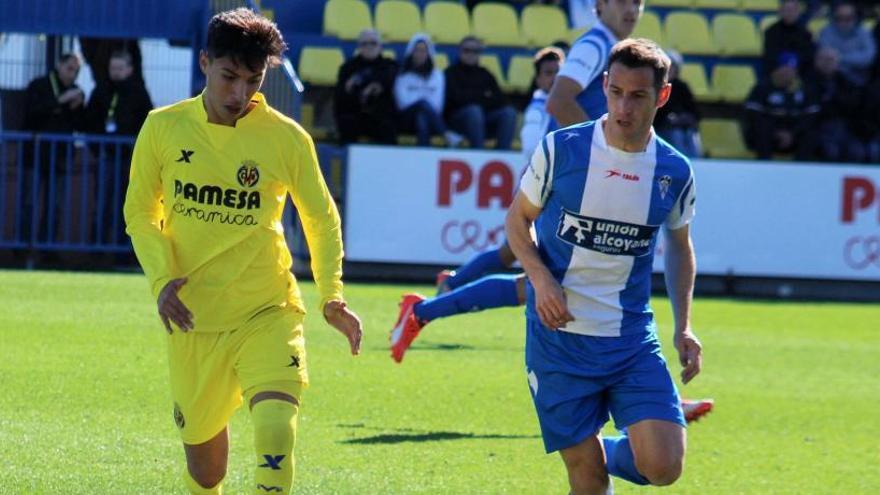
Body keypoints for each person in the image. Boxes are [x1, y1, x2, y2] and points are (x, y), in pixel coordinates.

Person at [123, 9, 363, 495]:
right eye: (229, 77)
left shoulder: (286, 138)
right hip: (194, 318)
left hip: (267, 308)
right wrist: (161, 280)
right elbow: (141, 214)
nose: (240, 93)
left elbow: (321, 217)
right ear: (205, 62)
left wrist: (331, 295)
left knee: (276, 429)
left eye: (253, 80)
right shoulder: (163, 128)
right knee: (207, 472)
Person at [506, 38, 702, 494]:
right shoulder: (562, 150)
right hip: (559, 341)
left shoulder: (675, 171)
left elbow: (678, 247)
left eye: (638, 96)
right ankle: (595, 454)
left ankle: (612, 447)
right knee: (588, 479)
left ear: (663, 96)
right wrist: (540, 279)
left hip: (629, 338)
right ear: (605, 86)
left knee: (664, 467)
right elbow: (517, 221)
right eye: (616, 93)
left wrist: (684, 326)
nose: (623, 107)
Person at [86, 50, 153, 246]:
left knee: (128, 206)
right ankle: (96, 250)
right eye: (112, 68)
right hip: (106, 157)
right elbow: (90, 121)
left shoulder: (138, 92)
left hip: (130, 160)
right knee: (102, 203)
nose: (115, 72)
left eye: (120, 68)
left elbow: (147, 122)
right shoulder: (100, 90)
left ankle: (123, 252)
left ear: (130, 70)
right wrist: (97, 150)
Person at [546, 0, 643, 129]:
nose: (631, 9)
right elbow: (558, 102)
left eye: (637, 2)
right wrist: (597, 145)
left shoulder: (608, 45)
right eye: (621, 1)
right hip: (570, 148)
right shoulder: (593, 46)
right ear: (600, 5)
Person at [22, 53, 86, 246]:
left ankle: (47, 247)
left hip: (60, 157)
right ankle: (23, 246)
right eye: (69, 68)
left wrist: (78, 106)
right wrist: (59, 100)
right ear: (59, 65)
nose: (72, 74)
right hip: (35, 155)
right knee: (29, 202)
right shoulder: (39, 85)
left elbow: (81, 124)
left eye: (76, 70)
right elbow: (31, 114)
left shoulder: (76, 91)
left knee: (55, 205)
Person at [444, 36, 517, 149]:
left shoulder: (486, 74)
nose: (471, 54)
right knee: (474, 111)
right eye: (467, 50)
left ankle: (503, 153)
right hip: (457, 123)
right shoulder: (450, 73)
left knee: (509, 113)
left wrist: (473, 98)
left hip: (484, 119)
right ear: (460, 51)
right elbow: (455, 100)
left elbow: (500, 100)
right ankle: (479, 153)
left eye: (475, 51)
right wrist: (483, 97)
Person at [744, 54, 820, 160]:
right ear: (776, 69)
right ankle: (764, 168)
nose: (787, 72)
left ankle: (801, 170)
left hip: (794, 135)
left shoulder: (805, 90)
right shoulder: (762, 87)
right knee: (761, 131)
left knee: (810, 135)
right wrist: (776, 132)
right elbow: (754, 116)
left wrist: (792, 133)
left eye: (791, 69)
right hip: (769, 134)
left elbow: (810, 118)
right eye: (784, 68)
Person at [393, 33, 462, 147]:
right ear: (411, 52)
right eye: (417, 50)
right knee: (422, 104)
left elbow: (437, 105)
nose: (420, 54)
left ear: (429, 53)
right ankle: (446, 134)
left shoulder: (438, 76)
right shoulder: (402, 75)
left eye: (424, 51)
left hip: (431, 119)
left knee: (422, 118)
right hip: (407, 119)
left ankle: (423, 156)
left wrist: (421, 104)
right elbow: (402, 104)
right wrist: (421, 103)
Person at [333, 29, 398, 145]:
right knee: (346, 122)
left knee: (388, 126)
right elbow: (340, 97)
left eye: (373, 43)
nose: (369, 47)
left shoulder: (390, 66)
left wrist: (374, 86)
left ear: (380, 46)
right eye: (364, 43)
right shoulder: (348, 68)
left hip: (380, 117)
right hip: (355, 114)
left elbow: (390, 83)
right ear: (359, 47)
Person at [653, 50, 701, 158]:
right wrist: (669, 119)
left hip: (683, 128)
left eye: (672, 67)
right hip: (661, 129)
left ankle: (697, 164)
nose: (669, 70)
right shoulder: (656, 87)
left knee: (692, 135)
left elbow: (695, 112)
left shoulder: (682, 87)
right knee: (677, 135)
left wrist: (685, 118)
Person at [817, 1, 876, 87]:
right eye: (839, 18)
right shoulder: (826, 31)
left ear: (856, 17)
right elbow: (825, 58)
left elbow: (868, 57)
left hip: (860, 78)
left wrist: (840, 58)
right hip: (832, 78)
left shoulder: (863, 32)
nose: (843, 22)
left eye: (848, 18)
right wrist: (853, 59)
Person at [521, 46, 565, 159]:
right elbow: (531, 150)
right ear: (538, 80)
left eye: (558, 72)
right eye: (548, 73)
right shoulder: (537, 109)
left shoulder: (568, 103)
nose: (555, 77)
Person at [762, 0, 815, 79]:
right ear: (780, 12)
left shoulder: (806, 33)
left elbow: (808, 55)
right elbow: (770, 55)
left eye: (793, 10)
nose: (790, 13)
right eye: (787, 10)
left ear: (798, 13)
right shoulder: (771, 32)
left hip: (800, 73)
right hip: (777, 73)